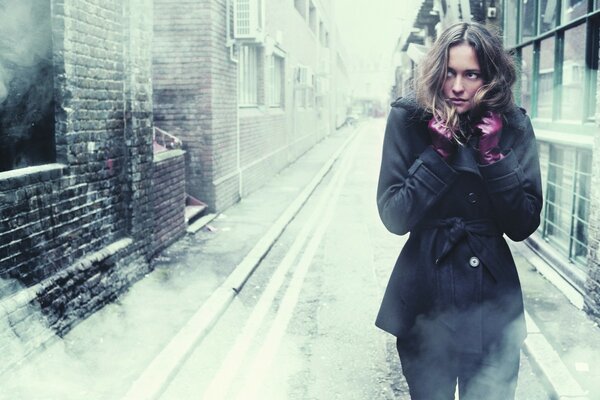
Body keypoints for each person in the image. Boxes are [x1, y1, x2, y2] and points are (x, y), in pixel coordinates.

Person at [375, 22, 542, 399]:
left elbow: (524, 223)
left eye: (471, 74)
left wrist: (493, 157)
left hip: (492, 303)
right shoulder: (409, 118)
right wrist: (436, 156)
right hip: (425, 299)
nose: (457, 86)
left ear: (491, 77)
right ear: (436, 71)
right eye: (449, 72)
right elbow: (394, 216)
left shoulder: (513, 124)